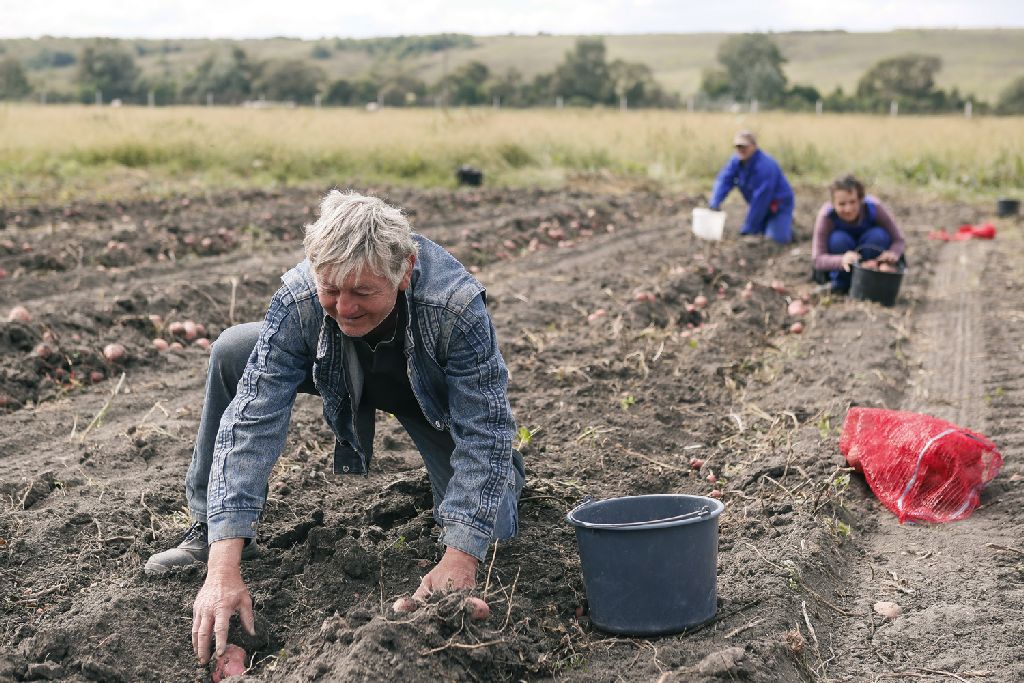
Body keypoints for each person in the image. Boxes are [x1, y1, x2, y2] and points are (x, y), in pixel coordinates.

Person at [144, 190, 525, 665]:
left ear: (404, 271)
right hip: (339, 368)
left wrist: (460, 555)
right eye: (331, 290)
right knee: (233, 352)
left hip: (427, 387)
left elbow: (486, 429)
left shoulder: (454, 307)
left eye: (362, 292)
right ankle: (208, 527)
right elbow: (251, 420)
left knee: (497, 526)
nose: (344, 308)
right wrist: (224, 566)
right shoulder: (301, 298)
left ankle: (499, 478)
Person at [811, 175, 905, 292]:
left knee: (878, 235)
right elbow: (818, 259)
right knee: (838, 239)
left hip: (871, 255)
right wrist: (842, 260)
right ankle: (842, 283)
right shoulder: (826, 216)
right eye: (842, 204)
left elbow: (898, 240)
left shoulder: (874, 207)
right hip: (843, 257)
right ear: (833, 204)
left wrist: (892, 254)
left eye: (852, 202)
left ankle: (873, 280)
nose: (848, 209)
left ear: (860, 199)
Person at [709, 130, 795, 244]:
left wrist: (748, 228)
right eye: (738, 147)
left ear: (754, 146)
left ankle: (785, 228)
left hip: (778, 205)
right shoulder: (736, 161)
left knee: (775, 240)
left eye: (744, 146)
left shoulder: (765, 166)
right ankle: (768, 226)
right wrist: (715, 202)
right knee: (759, 230)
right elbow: (724, 180)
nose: (741, 150)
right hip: (760, 204)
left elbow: (761, 199)